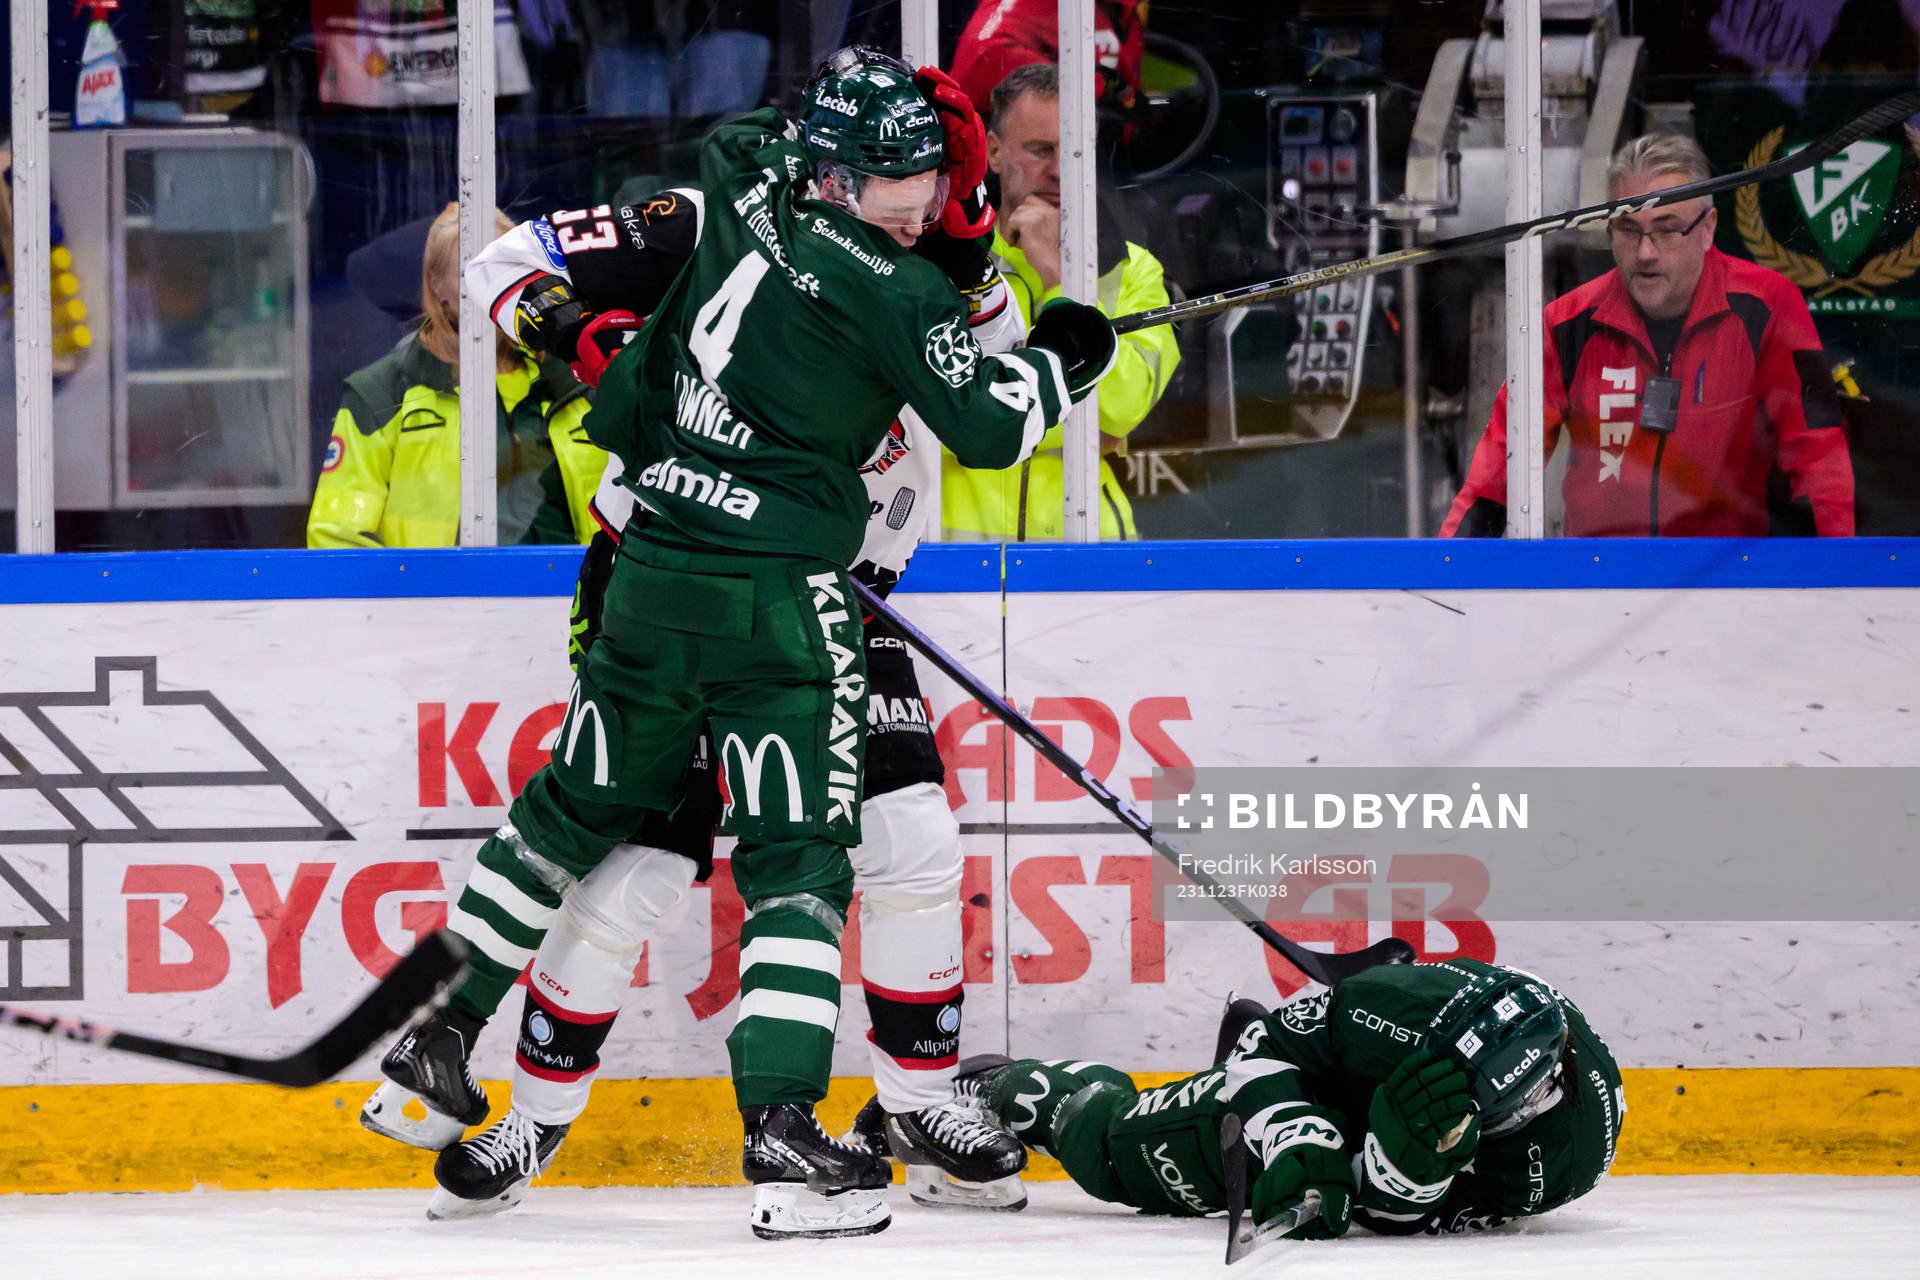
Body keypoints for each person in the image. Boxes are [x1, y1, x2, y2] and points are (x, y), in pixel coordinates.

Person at [359, 49, 1118, 1240]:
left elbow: (980, 378)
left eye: (944, 205)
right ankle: (537, 1112)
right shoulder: (711, 216)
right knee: (641, 869)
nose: (923, 222)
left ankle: (915, 1105)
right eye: (905, 196)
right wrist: (582, 336)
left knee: (910, 838)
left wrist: (1011, 309)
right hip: (663, 569)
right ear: (838, 172)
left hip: (833, 592)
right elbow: (511, 265)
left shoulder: (941, 269)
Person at [953, 958, 1624, 1243]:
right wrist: (1297, 1136)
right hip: (1339, 1086)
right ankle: (1001, 1086)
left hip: (1420, 1159)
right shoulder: (1393, 1009)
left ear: (1528, 1102)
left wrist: (1398, 1183)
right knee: (1119, 1152)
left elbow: (1405, 1224)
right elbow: (1266, 1042)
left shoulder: (1564, 1161)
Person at [1441, 133, 1854, 538]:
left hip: (1727, 588)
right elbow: (1496, 473)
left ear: (1708, 228)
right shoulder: (1567, 323)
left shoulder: (1766, 306)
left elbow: (1818, 456)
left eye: (1666, 228)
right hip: (1600, 584)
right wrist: (1446, 575)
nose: (1645, 253)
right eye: (1628, 229)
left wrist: (1837, 582)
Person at [939, 62, 1180, 541]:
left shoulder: (1133, 269)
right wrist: (1078, 428)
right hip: (950, 557)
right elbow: (926, 417)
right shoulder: (938, 261)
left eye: (1070, 152)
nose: (1056, 169)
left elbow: (1122, 410)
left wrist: (1056, 276)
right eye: (1038, 150)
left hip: (1088, 549)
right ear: (994, 151)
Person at [307, 204, 606, 548]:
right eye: (469, 273)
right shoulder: (382, 392)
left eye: (507, 270)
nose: (492, 285)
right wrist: (414, 599)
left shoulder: (579, 379)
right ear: (436, 287)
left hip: (571, 595)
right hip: (438, 598)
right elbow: (336, 535)